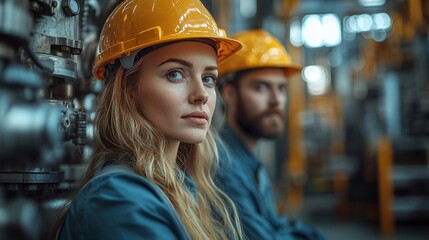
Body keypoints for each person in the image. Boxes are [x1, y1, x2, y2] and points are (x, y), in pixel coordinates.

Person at [53, 0, 244, 239]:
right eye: (175, 74)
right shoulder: (118, 200)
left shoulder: (180, 186)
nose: (201, 94)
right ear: (128, 89)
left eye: (208, 78)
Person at [215, 29, 325, 240]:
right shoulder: (223, 167)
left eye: (281, 89)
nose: (276, 100)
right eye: (261, 87)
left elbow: (275, 224)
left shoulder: (247, 160)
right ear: (229, 93)